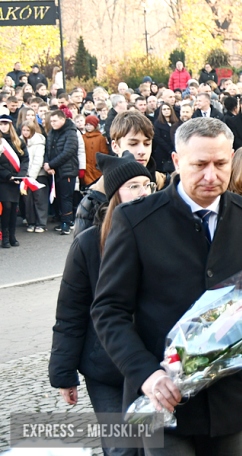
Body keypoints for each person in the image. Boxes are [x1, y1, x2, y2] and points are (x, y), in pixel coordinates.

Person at [91, 118, 242, 455]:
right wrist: (145, 374)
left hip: (228, 401)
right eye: (199, 164)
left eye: (220, 164)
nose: (211, 175)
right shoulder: (136, 221)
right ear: (177, 161)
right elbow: (108, 310)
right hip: (162, 398)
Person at [49, 151, 154, 456]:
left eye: (146, 185)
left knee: (153, 447)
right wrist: (64, 373)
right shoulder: (88, 244)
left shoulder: (161, 234)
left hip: (152, 365)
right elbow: (71, 312)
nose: (143, 192)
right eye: (133, 186)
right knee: (121, 449)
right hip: (105, 369)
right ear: (115, 194)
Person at [74, 111, 169, 236]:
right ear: (115, 146)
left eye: (147, 144)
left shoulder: (165, 185)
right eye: (133, 144)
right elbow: (85, 251)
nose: (142, 151)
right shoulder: (95, 199)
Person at [44, 109, 79, 235]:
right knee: (58, 198)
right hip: (55, 171)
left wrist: (51, 164)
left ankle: (67, 223)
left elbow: (68, 152)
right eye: (51, 121)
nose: (52, 123)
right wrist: (48, 164)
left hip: (67, 171)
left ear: (63, 120)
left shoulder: (71, 132)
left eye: (54, 121)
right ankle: (62, 220)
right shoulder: (52, 133)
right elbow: (48, 150)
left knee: (66, 198)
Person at [0, 114, 28, 247]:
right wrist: (7, 176)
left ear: (10, 125)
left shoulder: (18, 141)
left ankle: (12, 236)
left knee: (13, 208)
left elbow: (25, 159)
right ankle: (4, 237)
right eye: (1, 124)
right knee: (6, 207)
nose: (3, 126)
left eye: (5, 124)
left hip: (16, 180)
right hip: (3, 180)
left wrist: (21, 175)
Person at [20, 121, 48, 232]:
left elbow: (38, 160)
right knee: (27, 200)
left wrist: (31, 176)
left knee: (39, 200)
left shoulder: (39, 141)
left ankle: (41, 223)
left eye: (28, 130)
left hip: (38, 175)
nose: (25, 133)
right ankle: (31, 222)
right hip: (25, 175)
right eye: (24, 130)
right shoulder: (19, 141)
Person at [82, 115, 110, 186]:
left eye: (90, 124)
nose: (88, 126)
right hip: (86, 167)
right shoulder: (83, 137)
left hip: (97, 168)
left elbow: (104, 153)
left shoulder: (101, 138)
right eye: (86, 124)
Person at [153, 104, 178, 173]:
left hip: (174, 149)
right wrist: (169, 149)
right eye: (164, 109)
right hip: (162, 151)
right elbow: (157, 138)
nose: (166, 111)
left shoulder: (176, 122)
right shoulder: (157, 123)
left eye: (168, 109)